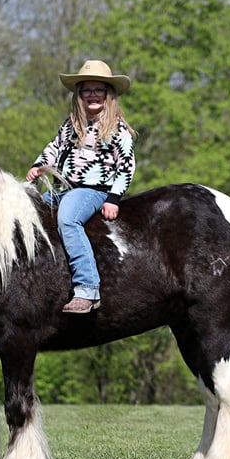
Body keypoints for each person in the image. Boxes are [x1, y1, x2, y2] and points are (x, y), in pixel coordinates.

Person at [27, 59, 136, 314]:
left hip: (92, 190)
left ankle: (87, 287)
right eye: (87, 90)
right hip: (62, 188)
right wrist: (40, 165)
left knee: (68, 220)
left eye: (99, 90)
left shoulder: (117, 129)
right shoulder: (71, 125)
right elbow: (54, 148)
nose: (93, 95)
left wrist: (113, 197)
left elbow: (126, 166)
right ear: (79, 95)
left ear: (109, 95)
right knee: (29, 210)